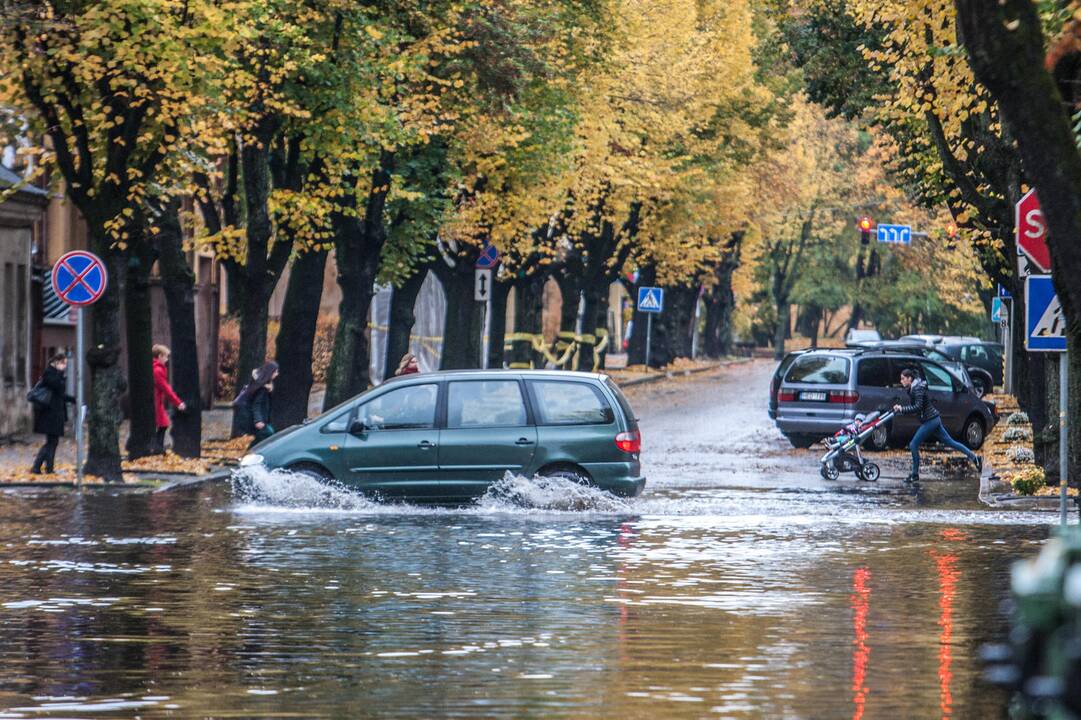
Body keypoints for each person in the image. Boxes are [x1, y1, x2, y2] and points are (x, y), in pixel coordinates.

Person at [892, 367, 981, 484]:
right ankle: (975, 458)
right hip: (934, 419)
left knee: (913, 444)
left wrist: (902, 409)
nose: (901, 381)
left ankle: (914, 474)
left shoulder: (917, 389)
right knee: (951, 442)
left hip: (930, 420)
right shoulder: (914, 387)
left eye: (903, 379)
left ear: (909, 378)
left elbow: (917, 407)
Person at [30, 353, 75, 475]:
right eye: (63, 363)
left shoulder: (55, 375)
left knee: (53, 442)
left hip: (54, 413)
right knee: (51, 442)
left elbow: (60, 395)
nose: (65, 366)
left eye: (65, 363)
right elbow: (58, 388)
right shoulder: (50, 374)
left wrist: (73, 399)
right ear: (56, 362)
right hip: (50, 414)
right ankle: (37, 466)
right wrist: (61, 375)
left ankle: (48, 468)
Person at [233, 361, 279, 446]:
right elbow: (256, 405)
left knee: (261, 438)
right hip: (258, 420)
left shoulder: (264, 385)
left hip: (260, 419)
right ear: (270, 372)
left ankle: (250, 454)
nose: (277, 374)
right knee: (269, 433)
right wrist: (258, 420)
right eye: (275, 372)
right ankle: (250, 455)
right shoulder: (262, 388)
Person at [152, 345, 186, 454]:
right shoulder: (157, 370)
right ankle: (157, 448)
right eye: (166, 356)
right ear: (160, 356)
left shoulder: (156, 368)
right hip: (156, 402)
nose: (167, 359)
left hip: (157, 401)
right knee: (163, 424)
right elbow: (166, 389)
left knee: (162, 424)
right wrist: (178, 403)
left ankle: (158, 447)